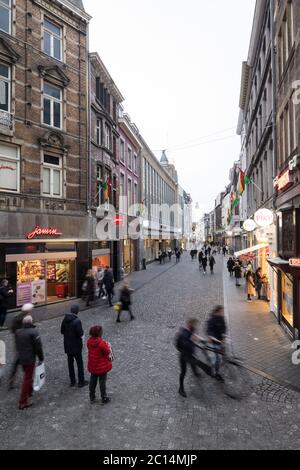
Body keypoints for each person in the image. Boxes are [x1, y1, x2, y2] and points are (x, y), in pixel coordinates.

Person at [175, 318, 210, 398]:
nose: (196, 327)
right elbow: (184, 345)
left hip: (190, 354)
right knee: (183, 372)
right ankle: (181, 388)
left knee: (193, 364)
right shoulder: (183, 334)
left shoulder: (192, 330)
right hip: (184, 356)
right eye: (194, 325)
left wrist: (201, 340)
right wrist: (192, 340)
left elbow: (195, 337)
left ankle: (196, 373)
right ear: (189, 325)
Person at [15, 315, 44, 410]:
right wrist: (41, 358)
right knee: (27, 378)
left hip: (22, 358)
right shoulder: (34, 332)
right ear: (31, 322)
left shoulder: (18, 332)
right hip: (29, 359)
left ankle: (29, 391)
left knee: (28, 376)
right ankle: (23, 401)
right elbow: (38, 348)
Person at [61, 305, 88, 388]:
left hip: (68, 345)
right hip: (76, 346)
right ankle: (81, 381)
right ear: (77, 311)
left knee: (70, 363)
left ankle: (72, 381)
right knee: (79, 363)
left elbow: (62, 331)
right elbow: (80, 334)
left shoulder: (65, 319)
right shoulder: (77, 321)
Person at [8, 303, 34, 391]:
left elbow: (12, 329)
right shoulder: (25, 318)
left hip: (18, 341)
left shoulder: (16, 317)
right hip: (24, 342)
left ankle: (12, 379)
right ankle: (28, 381)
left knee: (17, 361)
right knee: (23, 361)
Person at [87, 325, 112, 404]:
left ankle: (92, 396)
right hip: (102, 366)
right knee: (102, 382)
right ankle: (104, 397)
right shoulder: (101, 343)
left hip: (93, 365)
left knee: (93, 381)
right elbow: (107, 352)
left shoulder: (89, 341)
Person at [206, 306, 227, 381]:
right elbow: (209, 330)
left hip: (221, 340)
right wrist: (212, 337)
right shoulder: (211, 320)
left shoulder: (221, 318)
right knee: (217, 359)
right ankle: (215, 373)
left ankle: (222, 361)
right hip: (214, 342)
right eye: (221, 311)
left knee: (223, 352)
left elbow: (224, 327)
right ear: (217, 312)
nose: (223, 313)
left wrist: (224, 334)